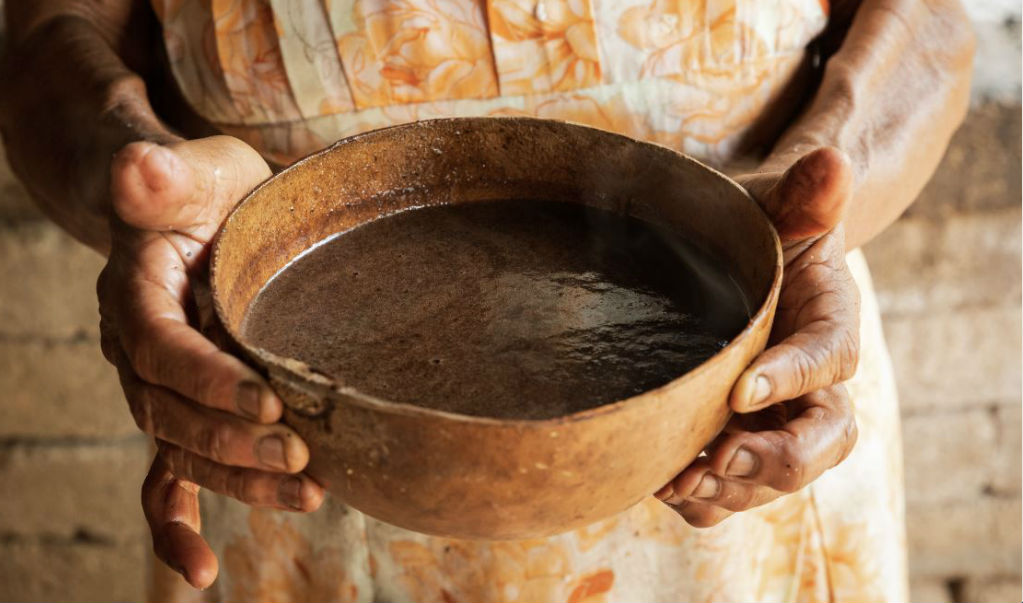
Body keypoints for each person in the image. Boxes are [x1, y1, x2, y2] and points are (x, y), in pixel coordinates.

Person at [1, 1, 974, 601]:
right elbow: (50, 32)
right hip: (301, 479)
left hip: (733, 474)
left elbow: (927, 18)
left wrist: (814, 208)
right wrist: (131, 165)